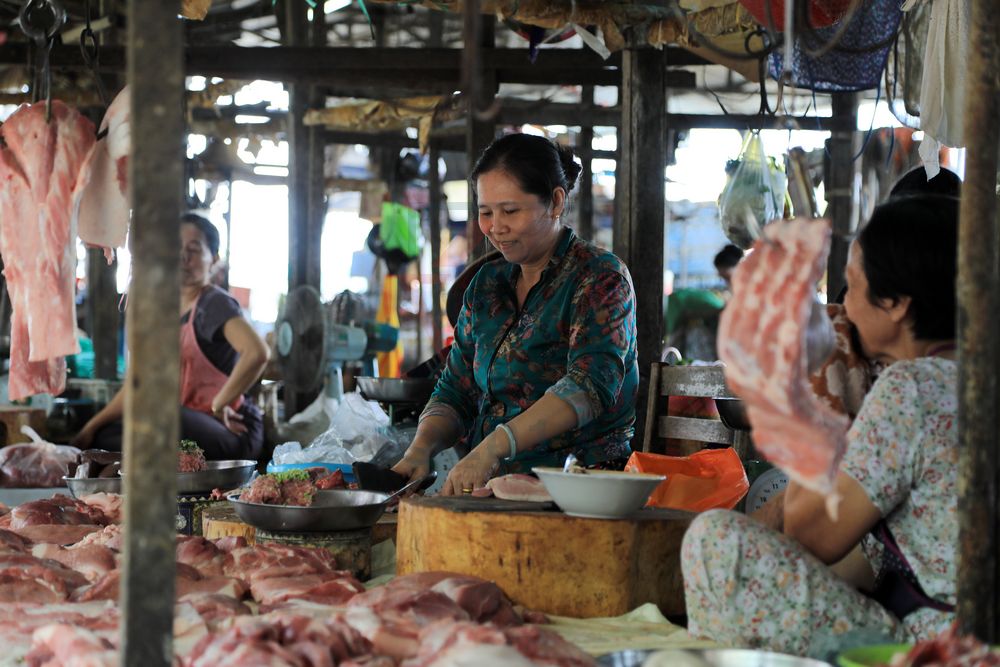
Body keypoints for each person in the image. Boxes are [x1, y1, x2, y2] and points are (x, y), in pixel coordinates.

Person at [682, 195, 959, 655]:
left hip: (939, 646)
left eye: (851, 287)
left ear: (894, 303)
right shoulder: (970, 378)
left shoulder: (913, 387)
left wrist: (817, 398)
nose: (844, 306)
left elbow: (811, 534)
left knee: (715, 544)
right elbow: (864, 560)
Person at [392, 133, 638, 495]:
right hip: (494, 487)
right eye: (485, 213)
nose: (495, 228)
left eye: (510, 211)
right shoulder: (487, 285)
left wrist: (492, 447)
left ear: (555, 202)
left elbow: (590, 385)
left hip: (581, 491)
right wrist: (420, 448)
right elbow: (456, 387)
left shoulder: (599, 277)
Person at [72, 213, 270, 461]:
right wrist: (89, 428)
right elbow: (137, 382)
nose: (183, 257)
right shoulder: (164, 311)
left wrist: (220, 404)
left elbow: (258, 353)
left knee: (161, 414)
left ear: (214, 258)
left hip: (230, 429)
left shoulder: (213, 303)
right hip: (183, 425)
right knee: (106, 437)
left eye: (194, 250)